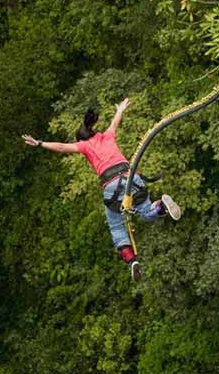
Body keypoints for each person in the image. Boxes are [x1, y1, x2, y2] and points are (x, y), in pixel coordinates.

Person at [22, 98, 181, 281]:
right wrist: (120, 109)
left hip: (112, 186)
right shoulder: (107, 135)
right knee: (146, 211)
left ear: (81, 138)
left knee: (116, 226)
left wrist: (40, 143)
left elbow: (61, 147)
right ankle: (162, 206)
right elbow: (115, 122)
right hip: (131, 177)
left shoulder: (84, 145)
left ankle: (132, 261)